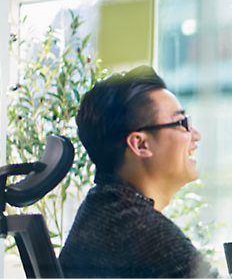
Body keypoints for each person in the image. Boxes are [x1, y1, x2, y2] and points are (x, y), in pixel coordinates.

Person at [60, 66, 219, 278]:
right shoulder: (140, 230)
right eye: (182, 123)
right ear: (140, 144)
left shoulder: (105, 206)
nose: (195, 136)